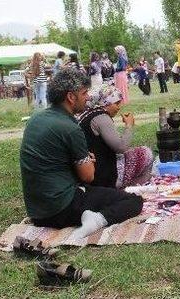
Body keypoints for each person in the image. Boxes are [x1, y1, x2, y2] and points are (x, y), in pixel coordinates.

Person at [20, 68, 143, 239]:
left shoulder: (36, 119)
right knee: (133, 201)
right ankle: (97, 220)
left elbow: (52, 161)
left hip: (37, 211)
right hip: (60, 207)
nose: (88, 98)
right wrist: (89, 162)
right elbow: (88, 177)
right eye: (84, 93)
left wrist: (82, 159)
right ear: (71, 97)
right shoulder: (70, 128)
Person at [77, 84, 154, 188]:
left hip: (91, 169)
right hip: (102, 174)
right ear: (106, 102)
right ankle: (137, 191)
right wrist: (129, 125)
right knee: (145, 153)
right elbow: (121, 147)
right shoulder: (101, 117)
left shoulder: (88, 114)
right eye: (116, 103)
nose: (119, 107)